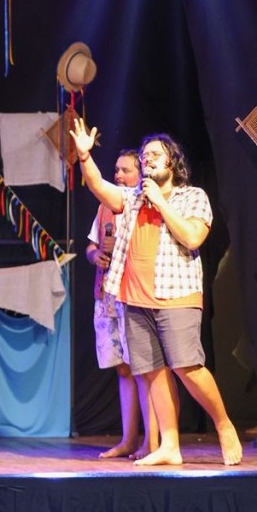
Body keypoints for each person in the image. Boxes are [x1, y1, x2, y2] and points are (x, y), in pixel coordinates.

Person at [70, 118, 243, 466]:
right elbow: (99, 187)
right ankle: (169, 445)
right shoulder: (132, 198)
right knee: (152, 372)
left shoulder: (192, 196)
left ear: (172, 162)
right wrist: (85, 158)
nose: (147, 159)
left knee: (187, 367)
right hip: (133, 298)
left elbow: (193, 238)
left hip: (176, 295)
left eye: (155, 155)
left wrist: (161, 204)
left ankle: (224, 425)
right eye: (145, 154)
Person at [85, 149, 164, 460]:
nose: (118, 175)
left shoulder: (143, 205)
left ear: (140, 174)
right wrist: (95, 255)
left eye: (125, 170)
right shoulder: (106, 205)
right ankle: (129, 439)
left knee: (145, 368)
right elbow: (92, 245)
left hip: (132, 294)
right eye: (116, 170)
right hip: (106, 294)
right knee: (123, 368)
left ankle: (153, 443)